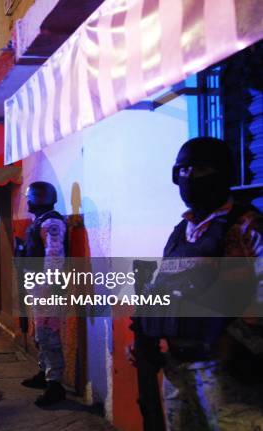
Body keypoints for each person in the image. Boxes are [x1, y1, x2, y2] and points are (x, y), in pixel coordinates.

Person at [130, 137, 263, 430]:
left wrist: (237, 343)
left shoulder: (247, 226)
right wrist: (144, 334)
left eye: (200, 169)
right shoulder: (182, 231)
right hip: (176, 366)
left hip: (225, 371)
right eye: (183, 170)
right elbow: (163, 287)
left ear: (222, 173)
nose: (189, 177)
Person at [19, 181, 68, 407]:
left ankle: (55, 384)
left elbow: (54, 258)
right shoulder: (41, 220)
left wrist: (48, 288)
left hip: (46, 288)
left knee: (48, 336)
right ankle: (44, 374)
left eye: (30, 197)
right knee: (40, 335)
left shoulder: (52, 222)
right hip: (38, 286)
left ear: (39, 198)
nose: (27, 201)